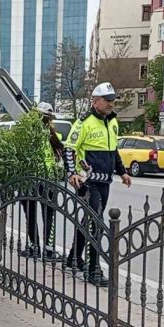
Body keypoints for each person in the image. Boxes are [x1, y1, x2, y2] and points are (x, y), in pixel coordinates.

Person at [64, 82, 132, 287]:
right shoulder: (83, 122)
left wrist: (122, 171)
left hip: (105, 180)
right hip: (88, 181)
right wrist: (71, 172)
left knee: (89, 220)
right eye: (107, 100)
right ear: (95, 101)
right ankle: (93, 270)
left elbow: (113, 150)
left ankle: (73, 257)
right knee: (97, 223)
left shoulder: (112, 122)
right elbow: (69, 148)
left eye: (113, 100)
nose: (111, 103)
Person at [19, 101, 64, 262]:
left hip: (39, 178)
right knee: (44, 214)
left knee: (38, 214)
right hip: (42, 178)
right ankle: (41, 247)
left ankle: (39, 247)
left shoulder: (37, 134)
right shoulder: (45, 134)